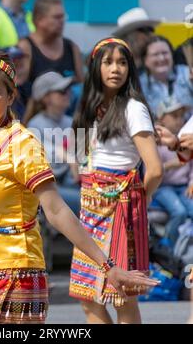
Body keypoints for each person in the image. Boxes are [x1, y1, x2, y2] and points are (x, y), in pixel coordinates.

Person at [0, 47, 159, 324]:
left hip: (16, 272)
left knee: (120, 300)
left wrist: (107, 265)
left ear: (10, 97)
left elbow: (56, 211)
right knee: (88, 299)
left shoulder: (21, 144)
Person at [69, 38, 163, 324]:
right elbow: (81, 159)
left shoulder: (134, 108)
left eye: (122, 63)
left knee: (122, 297)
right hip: (90, 208)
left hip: (120, 208)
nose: (116, 69)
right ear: (96, 67)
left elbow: (155, 169)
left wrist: (137, 204)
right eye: (108, 62)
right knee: (87, 296)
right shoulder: (88, 107)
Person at [27, 71, 80, 216]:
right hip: (50, 189)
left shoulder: (70, 122)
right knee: (87, 201)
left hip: (73, 183)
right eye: (62, 91)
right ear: (46, 98)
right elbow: (46, 157)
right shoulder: (34, 124)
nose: (68, 93)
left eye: (68, 90)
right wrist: (69, 159)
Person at [152, 97, 193, 248]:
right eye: (174, 116)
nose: (179, 120)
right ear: (162, 119)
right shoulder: (155, 140)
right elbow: (152, 171)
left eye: (181, 116)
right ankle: (170, 247)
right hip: (163, 187)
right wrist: (170, 165)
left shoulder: (186, 136)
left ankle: (185, 250)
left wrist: (192, 182)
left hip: (183, 186)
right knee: (179, 211)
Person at [18, 0, 84, 85]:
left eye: (63, 16)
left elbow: (82, 86)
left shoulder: (71, 48)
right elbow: (18, 88)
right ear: (39, 20)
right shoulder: (25, 47)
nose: (62, 21)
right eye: (57, 17)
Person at [140, 35, 193, 117]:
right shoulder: (139, 85)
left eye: (165, 53)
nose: (161, 58)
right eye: (155, 54)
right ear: (145, 60)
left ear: (172, 55)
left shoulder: (187, 73)